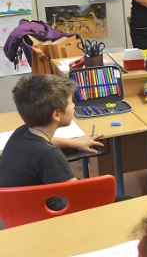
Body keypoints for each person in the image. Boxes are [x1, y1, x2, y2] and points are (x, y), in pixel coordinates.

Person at [0, 75, 103, 210]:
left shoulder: (22, 132)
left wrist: (74, 143)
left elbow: (45, 141)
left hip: (17, 210)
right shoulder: (49, 155)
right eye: (70, 102)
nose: (73, 105)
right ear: (56, 114)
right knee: (120, 200)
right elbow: (78, 196)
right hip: (48, 214)